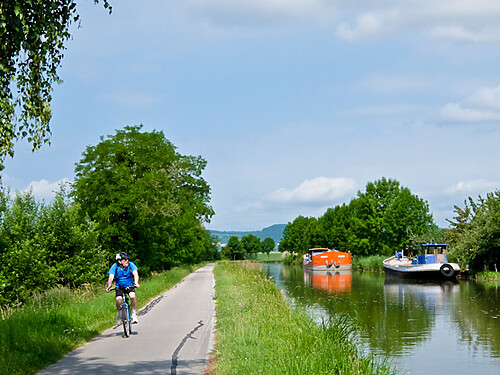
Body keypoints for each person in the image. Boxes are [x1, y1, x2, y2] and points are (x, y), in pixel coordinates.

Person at [106, 251, 140, 325]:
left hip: (129, 285)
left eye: (127, 259)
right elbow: (111, 277)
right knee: (118, 300)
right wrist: (109, 286)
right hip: (119, 287)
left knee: (132, 296)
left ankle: (134, 314)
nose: (127, 261)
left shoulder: (131, 265)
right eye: (124, 259)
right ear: (119, 261)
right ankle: (120, 314)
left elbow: (135, 274)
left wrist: (136, 282)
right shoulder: (115, 266)